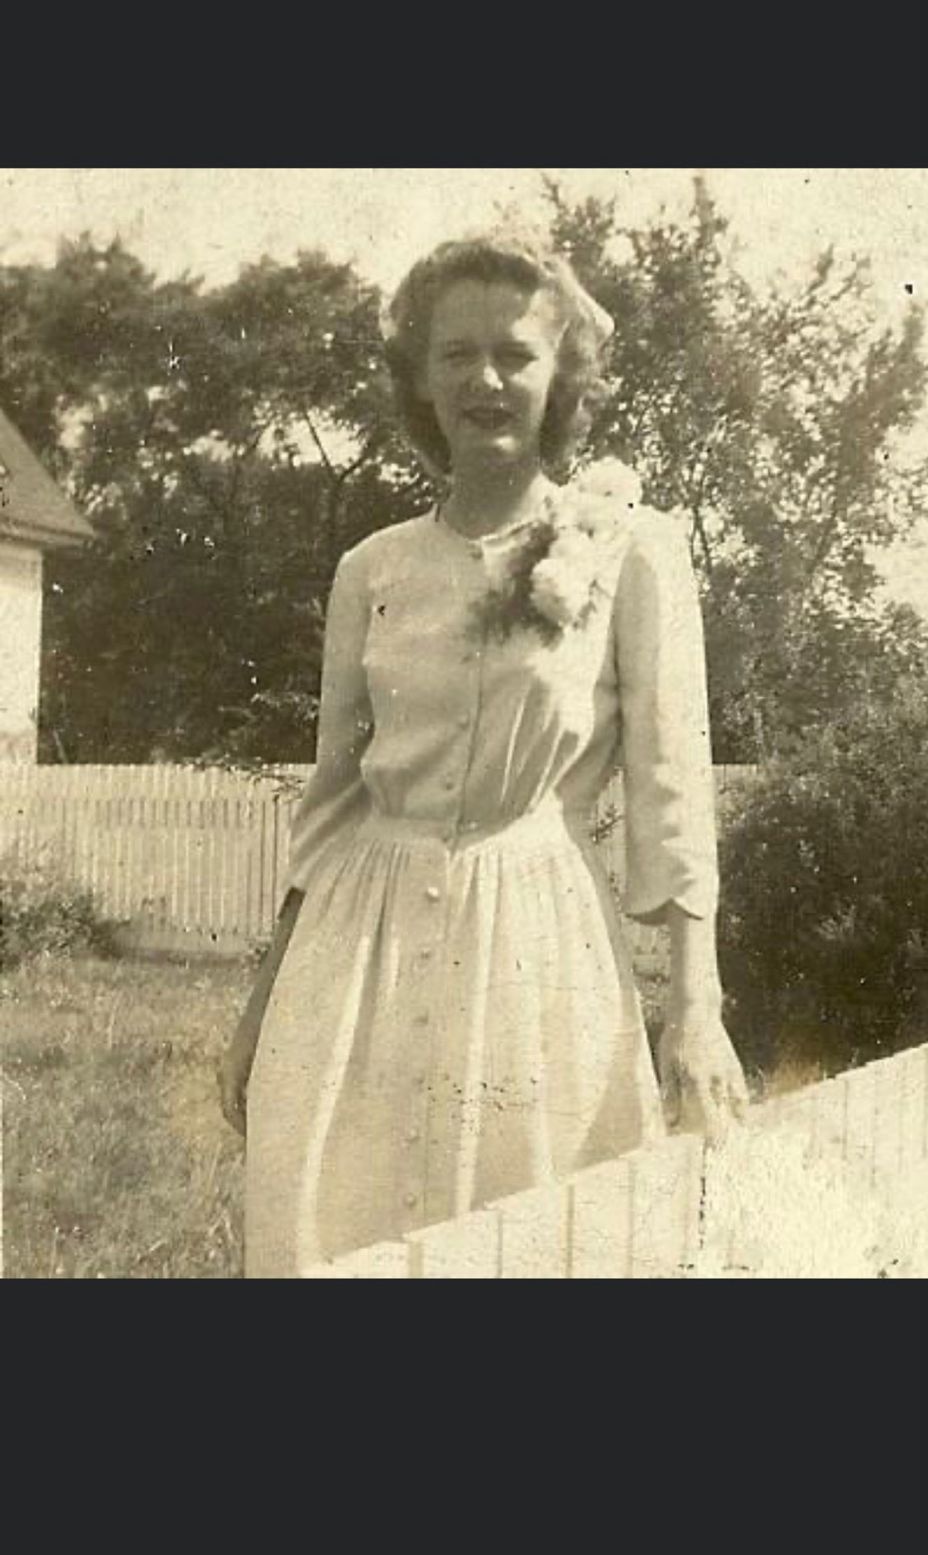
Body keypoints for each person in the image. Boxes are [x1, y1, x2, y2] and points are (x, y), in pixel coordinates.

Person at [219, 233, 748, 1277]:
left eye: (515, 353)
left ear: (562, 378)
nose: (486, 380)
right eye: (456, 354)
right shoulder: (370, 567)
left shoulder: (632, 551)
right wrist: (263, 1005)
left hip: (535, 939)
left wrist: (696, 1009)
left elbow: (672, 792)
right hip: (354, 950)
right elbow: (331, 804)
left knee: (538, 1237)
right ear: (420, 377)